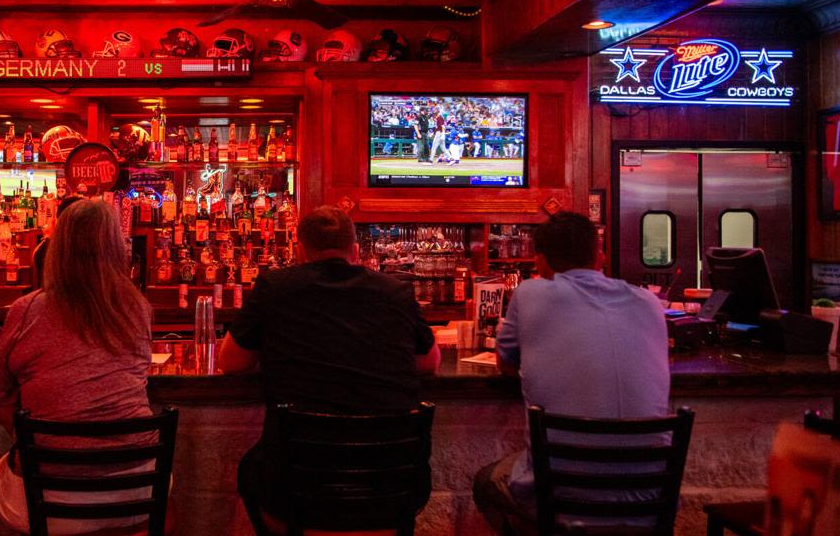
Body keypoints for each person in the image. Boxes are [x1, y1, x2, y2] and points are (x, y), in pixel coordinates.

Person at [220, 205, 441, 532]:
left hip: (297, 493)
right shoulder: (395, 292)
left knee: (251, 471)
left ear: (300, 249)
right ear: (354, 250)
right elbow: (429, 362)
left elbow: (231, 363)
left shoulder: (274, 287)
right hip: (390, 491)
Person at [473, 212, 669, 534]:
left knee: (486, 482)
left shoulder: (529, 294)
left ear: (540, 261)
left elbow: (505, 363)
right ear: (600, 254)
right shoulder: (650, 303)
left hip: (561, 498)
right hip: (650, 499)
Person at [0, 199, 156, 535]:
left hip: (49, 494)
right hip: (136, 486)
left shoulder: (26, 309)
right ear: (115, 248)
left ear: (57, 248)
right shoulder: (138, 308)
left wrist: (38, 443)